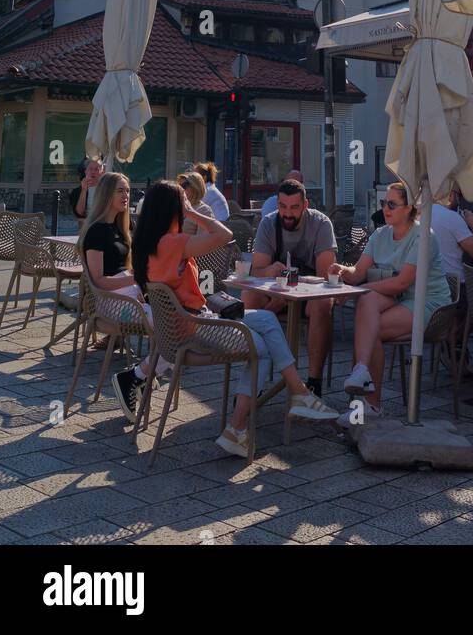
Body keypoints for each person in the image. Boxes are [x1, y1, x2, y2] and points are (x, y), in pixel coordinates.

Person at [133, 180, 338, 456]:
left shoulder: (149, 244)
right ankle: (238, 425)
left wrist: (186, 210)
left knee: (266, 321)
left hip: (185, 325)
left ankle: (297, 394)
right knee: (261, 350)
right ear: (172, 209)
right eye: (183, 203)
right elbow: (224, 233)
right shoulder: (173, 243)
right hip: (196, 327)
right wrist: (193, 213)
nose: (187, 207)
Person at [332, 182, 451, 423]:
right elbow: (358, 273)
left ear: (409, 208)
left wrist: (360, 288)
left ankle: (369, 402)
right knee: (367, 310)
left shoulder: (423, 235)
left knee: (368, 325)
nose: (385, 208)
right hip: (400, 300)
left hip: (428, 303)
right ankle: (363, 379)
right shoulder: (380, 234)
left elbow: (401, 283)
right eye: (383, 203)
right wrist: (342, 270)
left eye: (392, 204)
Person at [80, 171, 172, 421]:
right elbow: (99, 280)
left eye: (128, 190)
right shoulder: (97, 231)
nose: (126, 195)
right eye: (120, 190)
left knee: (179, 327)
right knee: (174, 330)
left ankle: (140, 377)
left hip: (130, 298)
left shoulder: (124, 227)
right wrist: (137, 278)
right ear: (106, 194)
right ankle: (137, 378)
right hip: (111, 303)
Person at [244, 177, 336, 397]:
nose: (287, 213)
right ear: (277, 205)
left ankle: (313, 383)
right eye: (283, 206)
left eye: (294, 207)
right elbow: (256, 270)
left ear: (305, 205)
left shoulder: (321, 224)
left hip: (309, 297)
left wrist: (294, 286)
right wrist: (268, 271)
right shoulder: (269, 223)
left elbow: (325, 277)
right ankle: (251, 381)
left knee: (323, 303)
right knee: (249, 296)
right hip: (275, 293)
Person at [430, 186, 473, 285]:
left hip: (426, 285)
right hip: (454, 287)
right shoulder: (452, 217)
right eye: (459, 196)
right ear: (451, 196)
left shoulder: (421, 215)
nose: (459, 200)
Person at [178, 169, 216, 234]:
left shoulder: (204, 210)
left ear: (195, 187)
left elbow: (203, 241)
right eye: (179, 186)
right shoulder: (178, 206)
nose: (181, 189)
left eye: (184, 186)